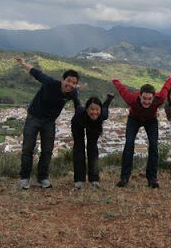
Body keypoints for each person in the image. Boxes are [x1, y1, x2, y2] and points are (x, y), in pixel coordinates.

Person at [16, 57, 79, 189]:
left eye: (74, 83)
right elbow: (36, 73)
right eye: (69, 81)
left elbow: (78, 107)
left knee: (47, 151)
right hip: (33, 117)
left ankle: (42, 178)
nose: (71, 85)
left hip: (49, 122)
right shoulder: (50, 83)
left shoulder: (73, 93)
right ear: (63, 79)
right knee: (28, 149)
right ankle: (25, 179)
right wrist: (23, 63)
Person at [113, 76, 171, 188]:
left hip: (151, 120)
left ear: (154, 97)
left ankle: (152, 179)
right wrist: (115, 80)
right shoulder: (131, 99)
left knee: (154, 145)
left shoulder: (160, 99)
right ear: (140, 96)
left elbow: (166, 88)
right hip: (134, 119)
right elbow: (122, 89)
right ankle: (124, 177)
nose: (146, 101)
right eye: (144, 98)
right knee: (129, 144)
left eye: (149, 99)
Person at [72, 93, 114, 189]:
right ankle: (79, 180)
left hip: (94, 126)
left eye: (97, 109)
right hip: (78, 124)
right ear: (87, 109)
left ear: (100, 109)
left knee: (93, 149)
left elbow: (106, 105)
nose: (94, 112)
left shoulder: (103, 114)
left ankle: (94, 180)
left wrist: (109, 98)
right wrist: (74, 95)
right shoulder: (80, 112)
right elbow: (77, 104)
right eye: (91, 109)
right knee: (79, 149)